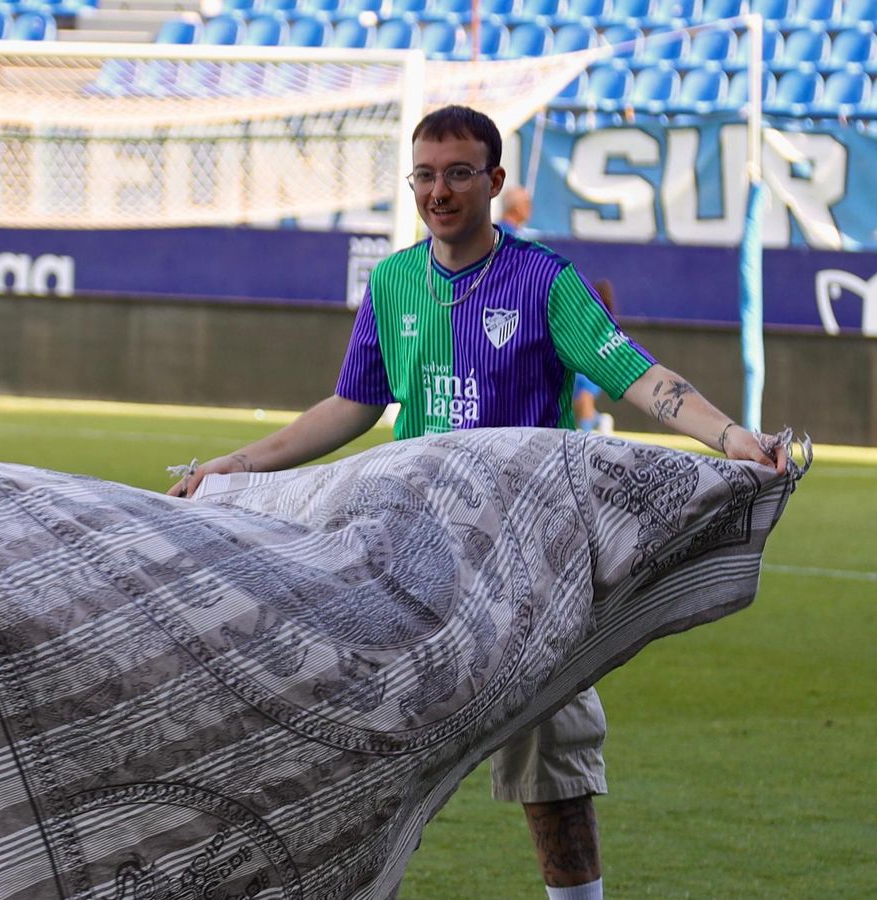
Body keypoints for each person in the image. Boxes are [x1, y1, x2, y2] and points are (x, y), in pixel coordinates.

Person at [170, 105, 786, 900]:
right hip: (408, 556)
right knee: (350, 743)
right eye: (425, 175)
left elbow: (638, 375)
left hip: (524, 566)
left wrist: (730, 435)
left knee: (553, 762)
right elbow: (352, 405)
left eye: (459, 172)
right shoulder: (393, 282)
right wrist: (236, 466)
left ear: (493, 181)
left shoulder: (544, 282)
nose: (440, 191)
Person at [574, 279, 617, 433]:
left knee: (585, 399)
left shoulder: (601, 321)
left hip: (591, 365)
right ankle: (600, 421)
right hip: (579, 365)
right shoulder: (581, 316)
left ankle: (585, 438)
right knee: (580, 404)